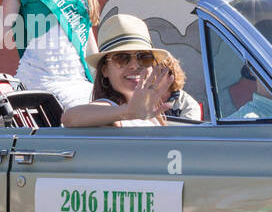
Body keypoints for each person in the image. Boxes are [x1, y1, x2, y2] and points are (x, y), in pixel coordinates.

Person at [62, 15, 200, 128]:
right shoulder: (110, 108)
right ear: (105, 70)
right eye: (121, 58)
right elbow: (70, 117)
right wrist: (129, 112)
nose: (134, 65)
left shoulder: (150, 112)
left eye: (144, 57)